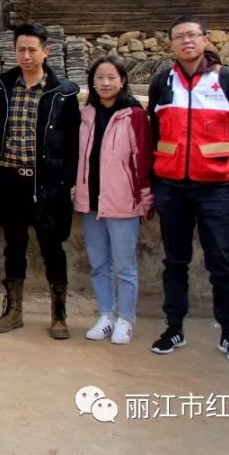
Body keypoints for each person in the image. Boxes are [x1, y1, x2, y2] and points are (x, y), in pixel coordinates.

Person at [148, 15, 229, 364]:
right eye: (178, 37)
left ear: (205, 40)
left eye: (192, 35)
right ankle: (173, 327)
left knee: (221, 262)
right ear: (171, 44)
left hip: (214, 188)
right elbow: (154, 130)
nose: (186, 42)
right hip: (172, 187)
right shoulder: (163, 80)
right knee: (175, 261)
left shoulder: (226, 79)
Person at [0, 23, 80, 339]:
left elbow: (73, 145)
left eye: (32, 50)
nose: (26, 56)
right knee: (13, 246)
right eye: (20, 50)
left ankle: (59, 315)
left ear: (46, 51)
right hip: (12, 181)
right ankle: (13, 311)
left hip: (47, 183)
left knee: (52, 247)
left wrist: (65, 182)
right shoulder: (3, 87)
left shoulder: (63, 93)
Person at [73, 56, 153, 345]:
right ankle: (105, 314)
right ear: (92, 83)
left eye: (111, 78)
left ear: (123, 81)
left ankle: (125, 318)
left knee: (124, 265)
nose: (105, 83)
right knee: (98, 263)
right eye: (99, 78)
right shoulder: (87, 114)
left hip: (122, 202)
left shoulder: (133, 115)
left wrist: (145, 199)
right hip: (90, 201)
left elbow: (142, 159)